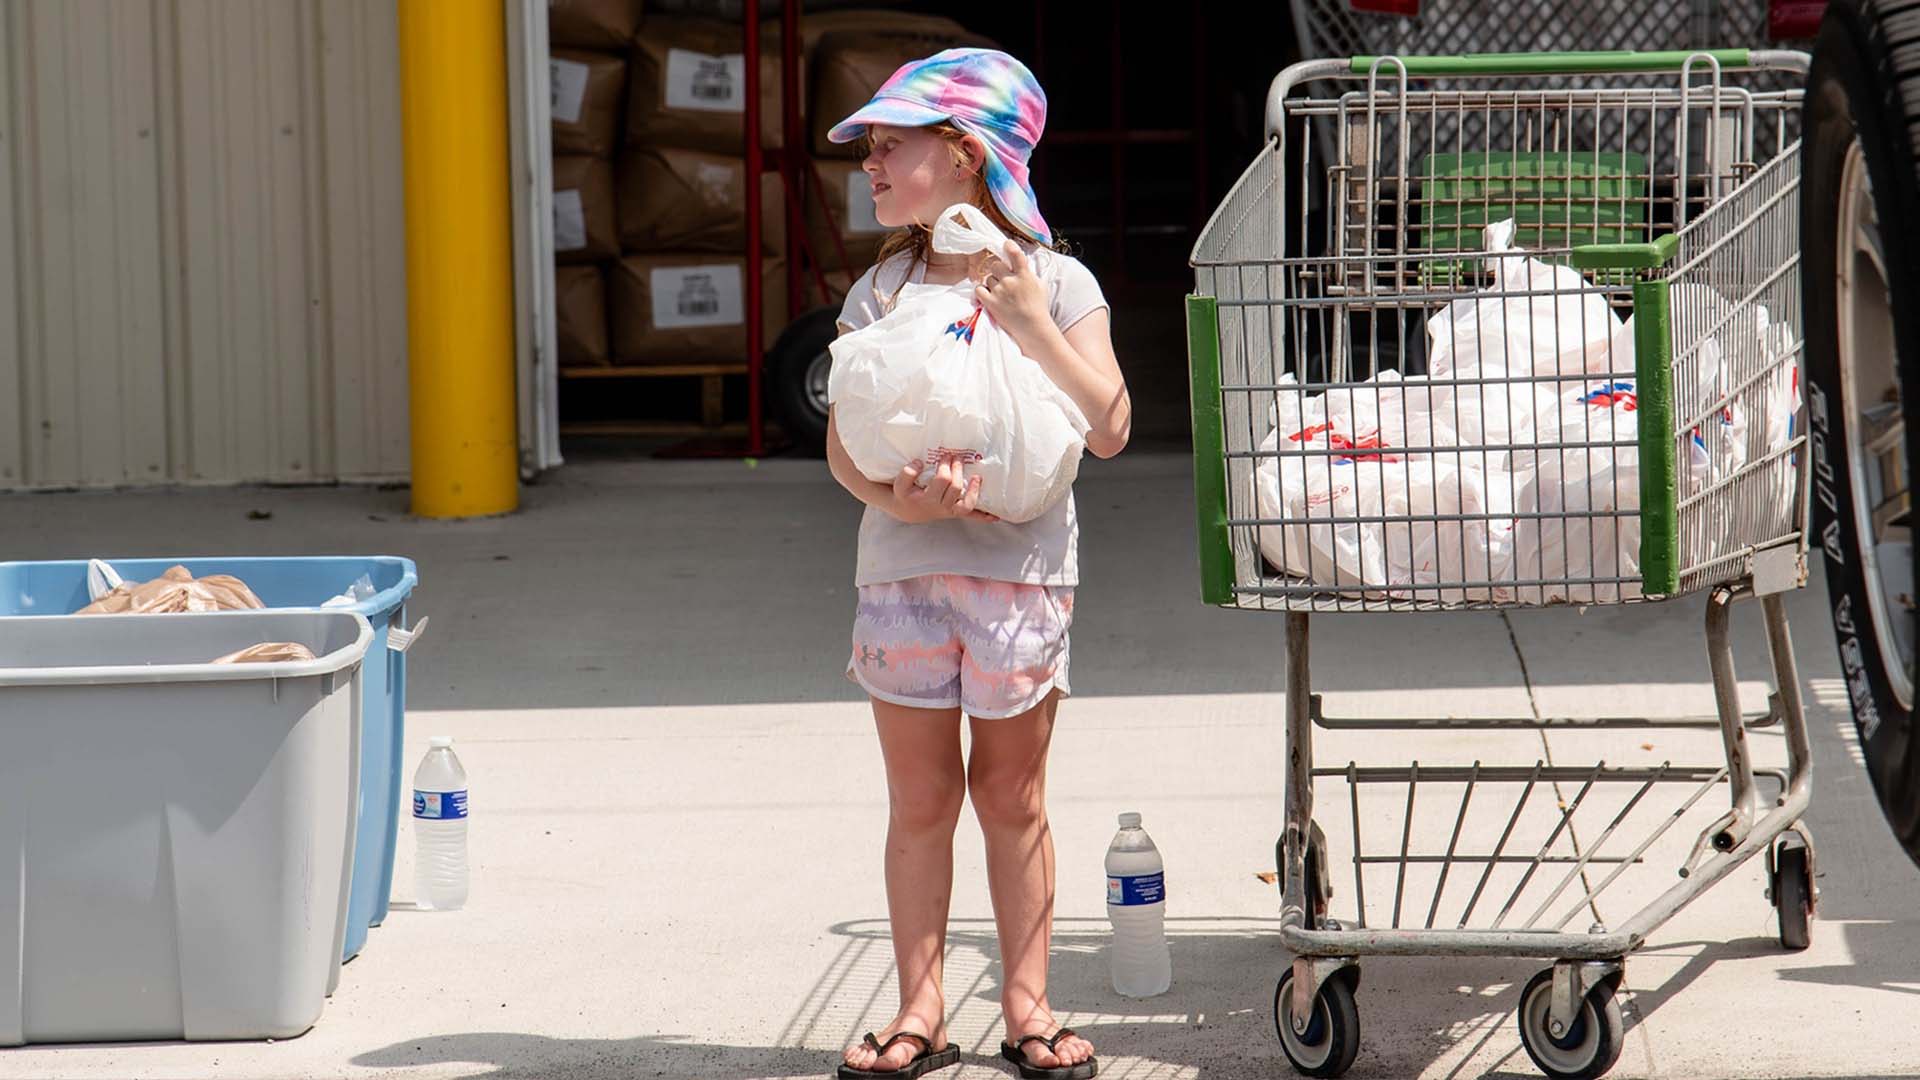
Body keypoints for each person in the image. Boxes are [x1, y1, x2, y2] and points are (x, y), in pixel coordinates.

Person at [823, 47, 1129, 1080]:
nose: (869, 164)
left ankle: (1030, 1008)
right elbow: (844, 449)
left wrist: (1033, 322)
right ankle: (919, 1013)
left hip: (1021, 579)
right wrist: (892, 496)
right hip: (902, 575)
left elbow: (1112, 426)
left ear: (963, 156)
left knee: (1013, 799)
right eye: (869, 147)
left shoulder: (1056, 279)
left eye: (890, 144)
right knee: (919, 803)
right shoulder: (882, 288)